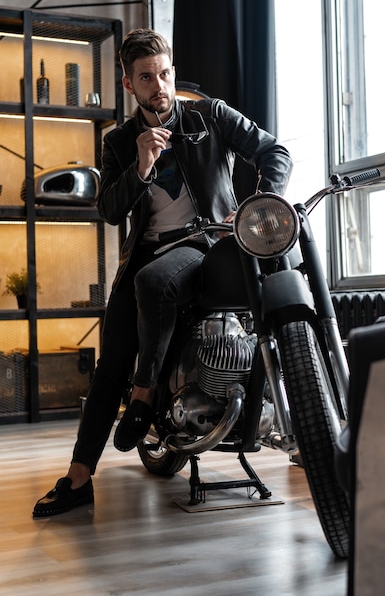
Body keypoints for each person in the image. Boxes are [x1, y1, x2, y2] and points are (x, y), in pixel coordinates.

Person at [32, 28, 293, 517]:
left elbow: (274, 152)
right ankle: (78, 478)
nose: (160, 86)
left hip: (210, 242)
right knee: (110, 360)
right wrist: (142, 167)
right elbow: (109, 210)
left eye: (165, 73)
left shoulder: (208, 114)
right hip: (149, 253)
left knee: (168, 286)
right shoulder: (120, 141)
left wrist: (257, 202)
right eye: (147, 77)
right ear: (129, 84)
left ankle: (145, 395)